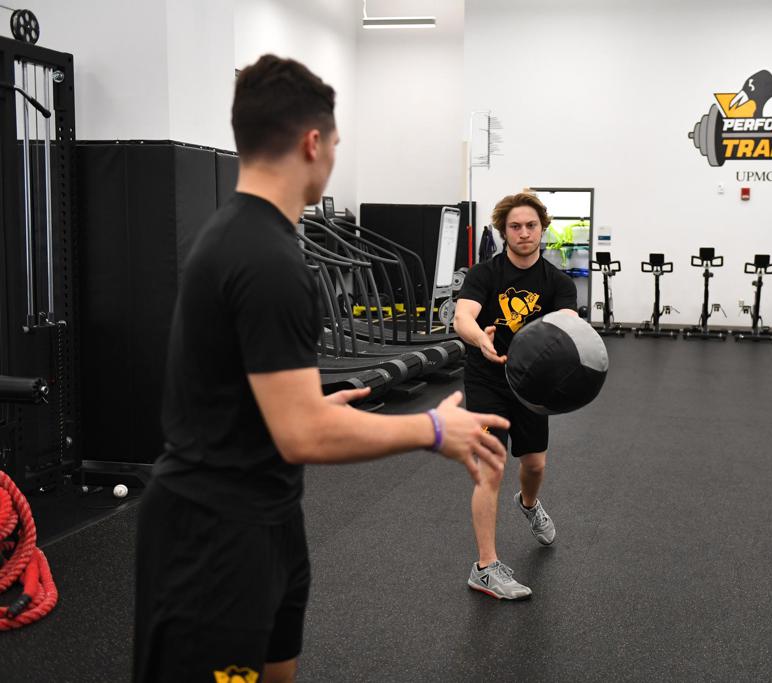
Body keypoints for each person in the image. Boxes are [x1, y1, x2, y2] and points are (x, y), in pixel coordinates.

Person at [132, 55, 509, 683]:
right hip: (214, 534)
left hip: (270, 513)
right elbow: (301, 434)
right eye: (335, 143)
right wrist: (434, 429)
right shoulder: (265, 257)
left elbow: (242, 391)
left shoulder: (243, 237)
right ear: (313, 143)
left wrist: (301, 409)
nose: (333, 154)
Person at [454, 192, 579, 600]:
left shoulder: (558, 282)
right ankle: (485, 567)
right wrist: (480, 339)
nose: (524, 233)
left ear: (542, 229)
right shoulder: (484, 274)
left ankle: (528, 503)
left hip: (531, 384)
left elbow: (568, 323)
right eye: (515, 226)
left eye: (530, 225)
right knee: (490, 467)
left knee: (535, 464)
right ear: (503, 232)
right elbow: (463, 317)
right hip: (486, 379)